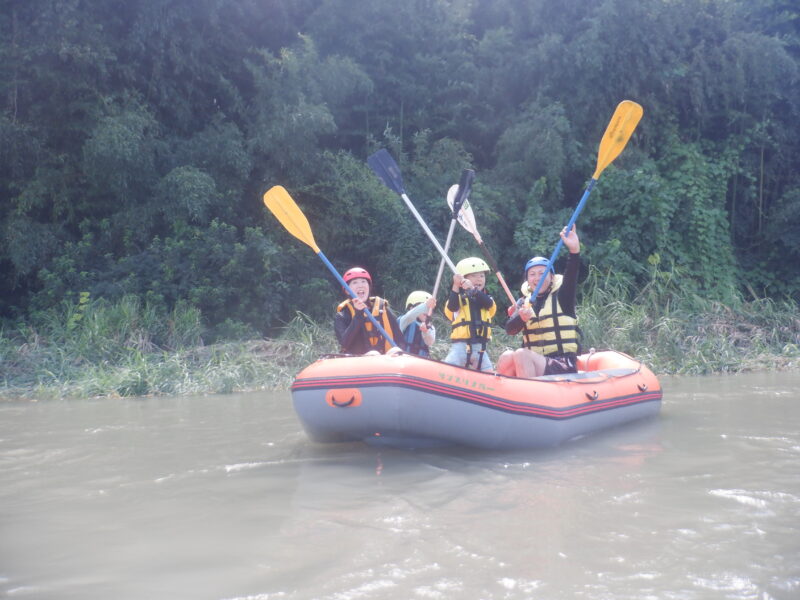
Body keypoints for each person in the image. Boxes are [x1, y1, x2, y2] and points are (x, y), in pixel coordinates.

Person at [496, 226, 581, 378]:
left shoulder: (563, 296)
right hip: (537, 362)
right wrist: (521, 318)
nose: (538, 278)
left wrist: (574, 251)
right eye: (533, 274)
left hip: (562, 362)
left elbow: (571, 276)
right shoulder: (524, 303)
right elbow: (510, 330)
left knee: (522, 354)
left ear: (552, 277)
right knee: (507, 356)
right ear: (527, 280)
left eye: (543, 273)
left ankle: (529, 395)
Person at [334, 267, 403, 355]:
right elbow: (345, 343)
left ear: (368, 287)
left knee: (395, 350)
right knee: (373, 354)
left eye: (363, 281)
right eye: (355, 282)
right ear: (347, 290)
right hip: (358, 362)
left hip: (386, 361)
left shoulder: (383, 309)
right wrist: (358, 314)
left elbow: (400, 340)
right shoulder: (342, 315)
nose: (360, 285)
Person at [443, 257, 496, 371]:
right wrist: (456, 285)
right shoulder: (457, 298)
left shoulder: (488, 299)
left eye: (482, 276)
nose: (479, 279)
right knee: (446, 370)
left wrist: (472, 288)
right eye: (474, 276)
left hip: (480, 349)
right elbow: (452, 307)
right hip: (460, 347)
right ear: (464, 279)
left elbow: (488, 304)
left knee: (489, 373)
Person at [398, 291, 437, 357]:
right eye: (425, 308)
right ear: (411, 308)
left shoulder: (430, 327)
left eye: (429, 309)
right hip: (402, 361)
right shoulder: (403, 321)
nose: (427, 311)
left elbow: (430, 342)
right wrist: (426, 305)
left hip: (420, 364)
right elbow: (410, 315)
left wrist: (426, 331)